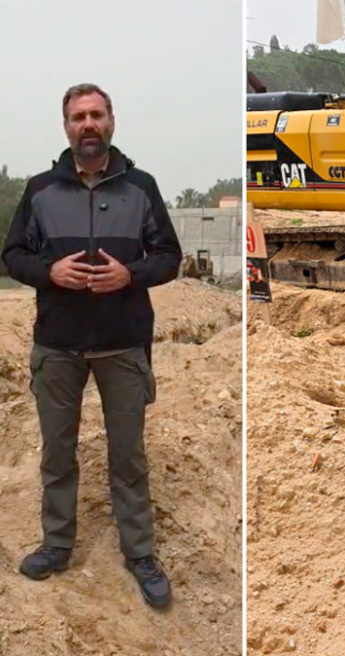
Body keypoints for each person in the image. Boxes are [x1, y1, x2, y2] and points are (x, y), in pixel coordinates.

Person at [1, 83, 182, 608]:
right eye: (78, 116)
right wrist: (48, 270)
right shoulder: (39, 190)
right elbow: (12, 255)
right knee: (58, 455)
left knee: (128, 456)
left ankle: (140, 553)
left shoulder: (141, 187)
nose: (88, 124)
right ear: (66, 127)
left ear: (111, 122)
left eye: (96, 115)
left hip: (122, 345)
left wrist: (131, 275)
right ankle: (57, 545)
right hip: (57, 347)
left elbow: (168, 256)